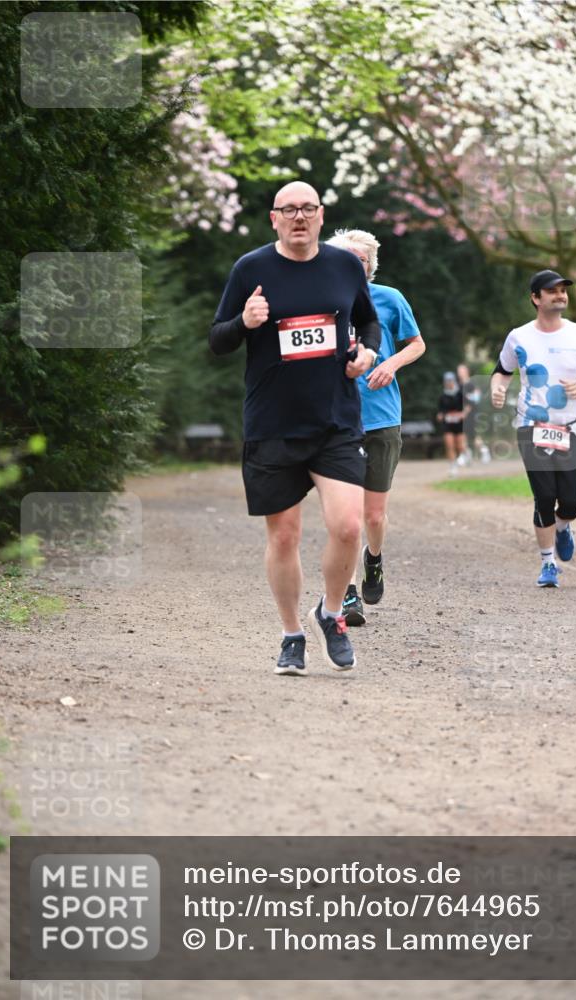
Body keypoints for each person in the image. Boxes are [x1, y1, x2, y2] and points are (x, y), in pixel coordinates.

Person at [209, 182, 381, 676]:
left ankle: (331, 613)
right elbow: (218, 339)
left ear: (321, 216)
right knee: (283, 537)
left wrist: (367, 353)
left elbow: (367, 323)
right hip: (273, 424)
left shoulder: (345, 266)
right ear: (274, 218)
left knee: (349, 526)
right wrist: (245, 321)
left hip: (335, 420)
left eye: (308, 209)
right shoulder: (251, 269)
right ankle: (291, 636)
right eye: (289, 210)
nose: (299, 217)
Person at [326, 229, 426, 626]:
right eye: (348, 258)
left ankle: (374, 558)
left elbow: (416, 344)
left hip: (382, 416)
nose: (355, 264)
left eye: (362, 259)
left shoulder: (390, 298)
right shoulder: (322, 300)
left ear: (370, 266)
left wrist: (391, 363)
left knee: (373, 515)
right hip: (337, 420)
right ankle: (350, 593)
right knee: (347, 516)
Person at [490, 269, 576, 587]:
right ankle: (548, 563)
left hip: (568, 427)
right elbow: (502, 370)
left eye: (563, 290)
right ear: (536, 298)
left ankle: (564, 526)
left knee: (571, 503)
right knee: (545, 496)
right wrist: (497, 389)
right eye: (552, 290)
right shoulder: (519, 336)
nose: (560, 295)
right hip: (531, 426)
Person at [436, 372, 470, 477]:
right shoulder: (443, 396)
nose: (448, 383)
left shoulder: (460, 393)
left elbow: (468, 406)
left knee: (460, 446)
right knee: (449, 445)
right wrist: (440, 416)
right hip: (448, 423)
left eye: (450, 381)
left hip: (459, 423)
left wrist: (463, 414)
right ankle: (453, 467)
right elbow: (441, 411)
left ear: (454, 381)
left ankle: (466, 453)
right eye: (447, 381)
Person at [457, 363, 491, 464]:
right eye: (459, 371)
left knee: (472, 436)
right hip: (462, 414)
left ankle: (483, 451)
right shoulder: (459, 385)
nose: (459, 373)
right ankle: (466, 454)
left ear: (466, 371)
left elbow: (473, 400)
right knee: (463, 435)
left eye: (461, 370)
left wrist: (465, 413)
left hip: (470, 414)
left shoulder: (471, 384)